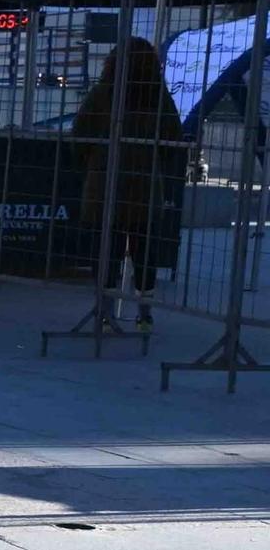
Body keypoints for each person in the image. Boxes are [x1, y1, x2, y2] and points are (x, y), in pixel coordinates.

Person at [74, 38, 184, 334]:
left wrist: (93, 161)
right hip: (144, 185)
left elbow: (80, 133)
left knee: (104, 249)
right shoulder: (158, 96)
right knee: (143, 250)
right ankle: (144, 315)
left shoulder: (102, 94)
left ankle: (105, 313)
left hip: (104, 184)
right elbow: (173, 137)